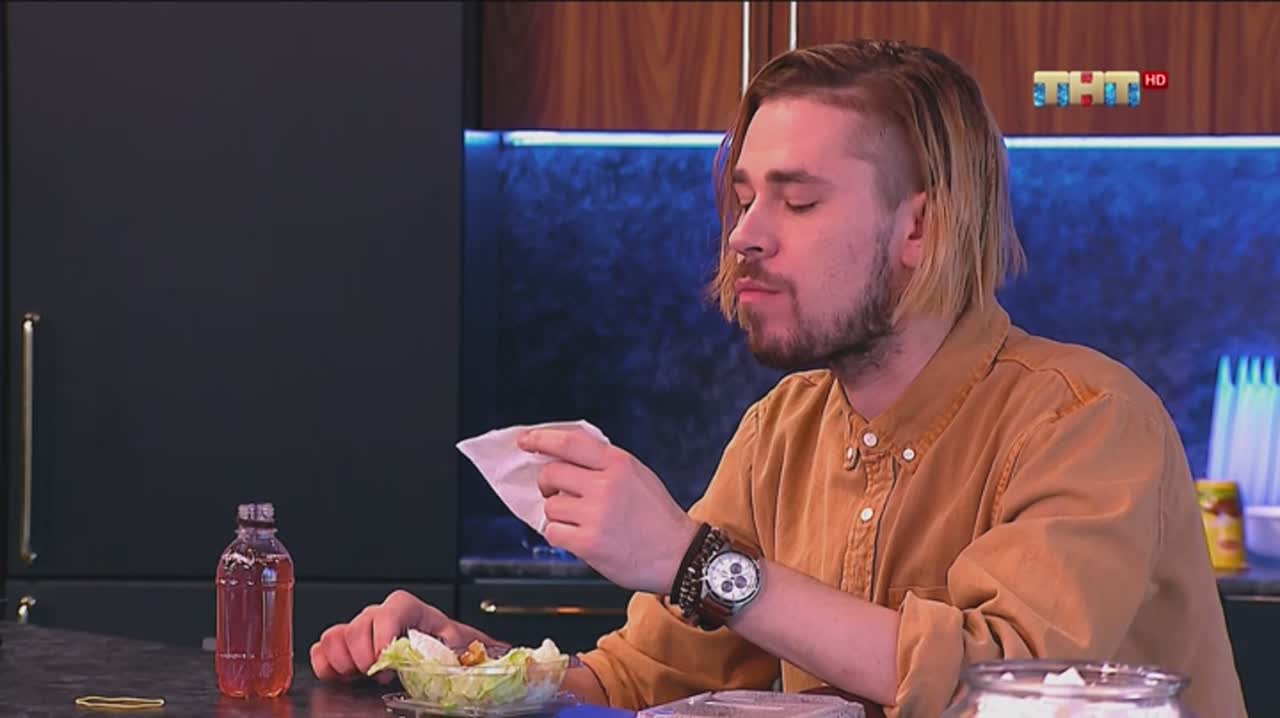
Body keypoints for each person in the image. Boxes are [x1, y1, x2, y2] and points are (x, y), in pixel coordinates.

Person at [310, 40, 1246, 717]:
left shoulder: (1088, 419)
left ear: (920, 229)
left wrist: (695, 564)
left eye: (797, 201)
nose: (745, 235)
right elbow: (640, 681)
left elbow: (1000, 687)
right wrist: (460, 663)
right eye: (744, 197)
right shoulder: (781, 430)